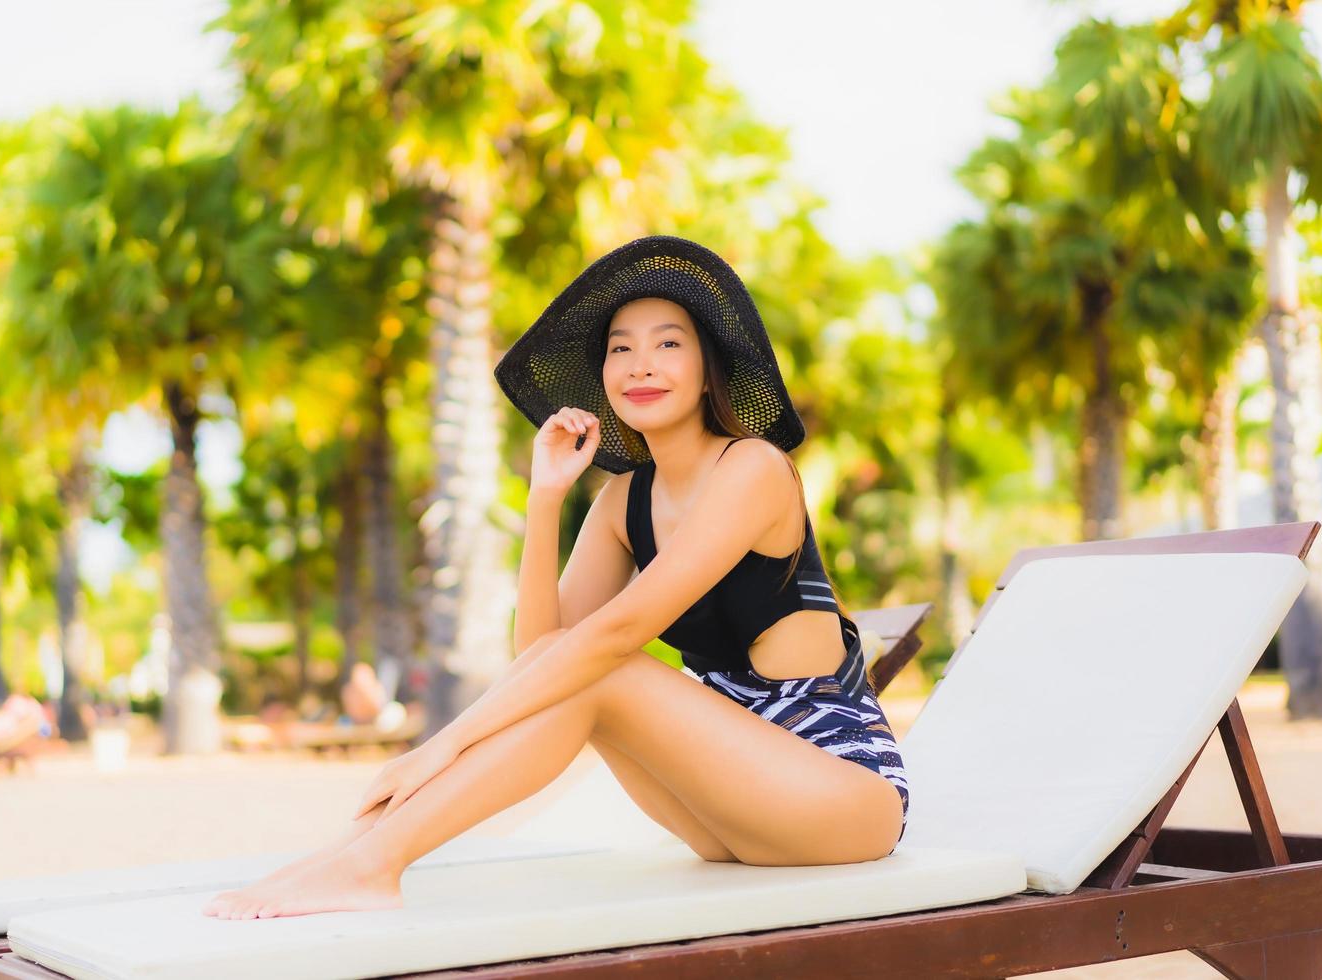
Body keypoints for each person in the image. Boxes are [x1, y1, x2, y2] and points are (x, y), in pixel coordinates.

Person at [203, 235, 911, 920]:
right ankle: (353, 853)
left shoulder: (752, 468)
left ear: (706, 369)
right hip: (731, 815)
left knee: (607, 664)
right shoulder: (620, 501)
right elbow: (540, 654)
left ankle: (373, 865)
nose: (641, 364)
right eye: (620, 349)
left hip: (840, 790)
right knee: (573, 666)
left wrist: (442, 742)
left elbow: (618, 633)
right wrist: (546, 497)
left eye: (668, 343)